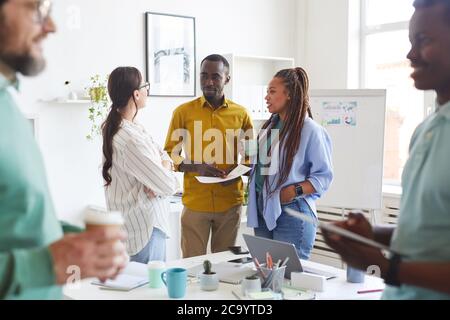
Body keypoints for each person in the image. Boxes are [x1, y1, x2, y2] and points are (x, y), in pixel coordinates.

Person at [0, 0, 128, 299]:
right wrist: (49, 263)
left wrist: (77, 243)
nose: (52, 26)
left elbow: (17, 218)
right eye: (37, 10)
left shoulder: (9, 105)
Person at [322, 0, 450, 299]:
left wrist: (383, 267)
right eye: (410, 41)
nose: (411, 54)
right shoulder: (427, 129)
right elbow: (428, 236)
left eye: (424, 40)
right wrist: (370, 234)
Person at [164, 54, 254, 258]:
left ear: (227, 79)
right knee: (191, 268)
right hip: (196, 202)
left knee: (224, 267)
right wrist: (196, 166)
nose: (209, 82)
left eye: (216, 76)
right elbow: (171, 154)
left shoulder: (241, 114)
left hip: (230, 203)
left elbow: (252, 156)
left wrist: (237, 170)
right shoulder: (183, 112)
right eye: (204, 76)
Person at [246, 67, 333, 259]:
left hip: (292, 211)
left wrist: (292, 192)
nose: (266, 97)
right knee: (266, 276)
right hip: (263, 208)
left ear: (289, 95)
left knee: (289, 280)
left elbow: (323, 177)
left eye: (272, 91)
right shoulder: (269, 126)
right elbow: (263, 165)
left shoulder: (310, 130)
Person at [102, 67, 179, 263]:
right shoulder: (130, 139)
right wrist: (162, 174)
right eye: (145, 86)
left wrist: (162, 167)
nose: (147, 90)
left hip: (134, 228)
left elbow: (164, 154)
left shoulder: (130, 128)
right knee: (148, 292)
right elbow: (169, 185)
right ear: (136, 95)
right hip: (144, 230)